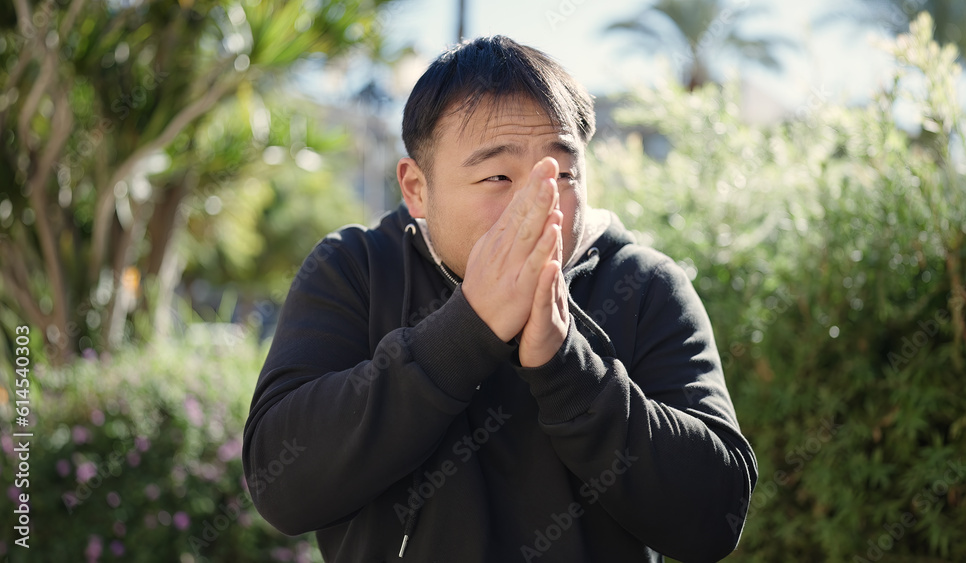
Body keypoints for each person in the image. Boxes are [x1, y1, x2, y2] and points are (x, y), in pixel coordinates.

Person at [243, 35, 758, 563]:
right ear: (417, 188)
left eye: (561, 174)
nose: (538, 205)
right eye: (498, 176)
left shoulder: (645, 285)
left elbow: (715, 518)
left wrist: (567, 367)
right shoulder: (357, 268)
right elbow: (278, 486)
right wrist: (465, 332)